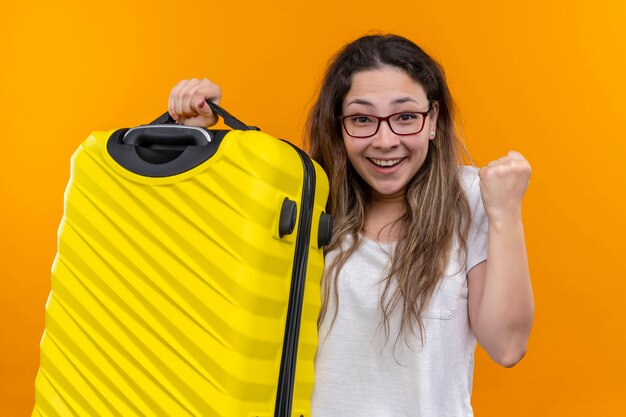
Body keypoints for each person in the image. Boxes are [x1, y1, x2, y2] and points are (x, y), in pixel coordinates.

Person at [167, 34, 534, 417]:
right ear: (339, 126)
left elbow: (507, 346)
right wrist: (200, 138)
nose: (385, 140)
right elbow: (201, 287)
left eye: (405, 117)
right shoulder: (300, 201)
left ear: (433, 120)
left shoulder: (470, 198)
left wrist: (505, 212)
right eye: (362, 119)